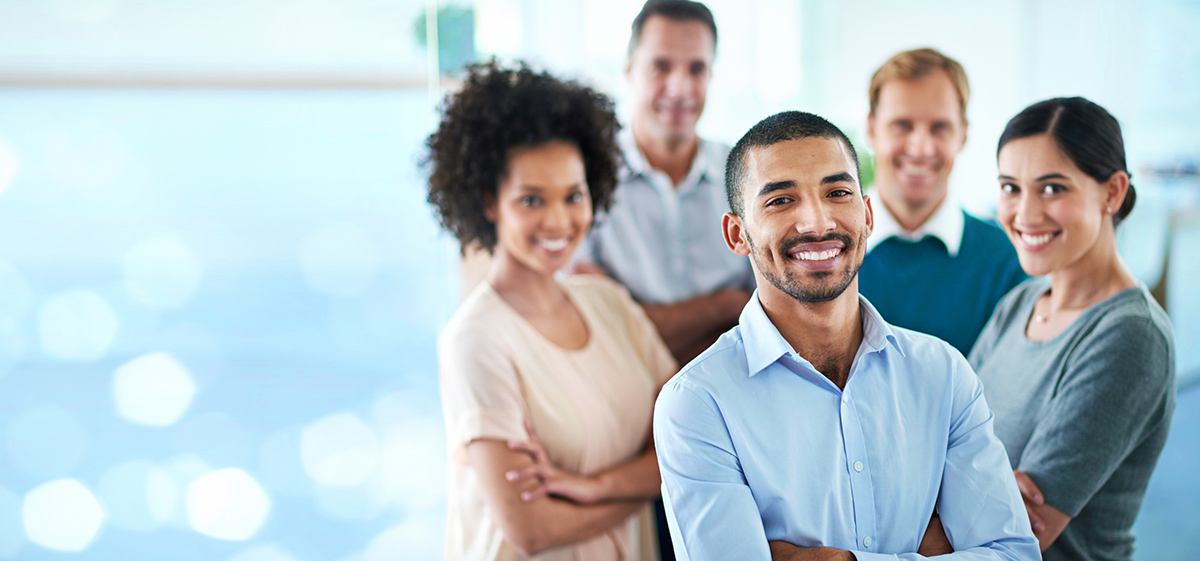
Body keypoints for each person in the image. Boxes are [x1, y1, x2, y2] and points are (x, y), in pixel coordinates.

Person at [653, 110, 1039, 561]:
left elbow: (1013, 555)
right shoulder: (698, 403)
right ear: (737, 234)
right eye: (780, 201)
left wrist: (842, 560)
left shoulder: (944, 374)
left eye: (837, 193)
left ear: (867, 214)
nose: (816, 222)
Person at [428, 61, 677, 561]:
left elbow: (688, 443)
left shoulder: (609, 303)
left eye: (573, 195)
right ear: (489, 202)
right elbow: (533, 529)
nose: (559, 220)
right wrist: (648, 484)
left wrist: (595, 487)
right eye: (531, 200)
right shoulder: (476, 340)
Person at [966, 97, 1176, 561]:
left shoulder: (1130, 337)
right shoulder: (1022, 302)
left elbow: (1020, 533)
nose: (1025, 214)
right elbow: (946, 430)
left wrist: (959, 476)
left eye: (1053, 188)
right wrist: (978, 483)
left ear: (1112, 192)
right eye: (1010, 187)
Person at [571, 0, 754, 366]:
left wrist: (644, 322)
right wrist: (728, 305)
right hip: (626, 401)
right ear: (628, 70)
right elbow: (604, 330)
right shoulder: (582, 179)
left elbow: (776, 315)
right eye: (661, 67)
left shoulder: (748, 170)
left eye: (697, 69)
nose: (680, 88)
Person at [858, 48, 1026, 355]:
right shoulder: (822, 251)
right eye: (902, 125)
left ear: (963, 134)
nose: (921, 148)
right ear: (871, 128)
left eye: (939, 128)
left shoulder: (1008, 262)